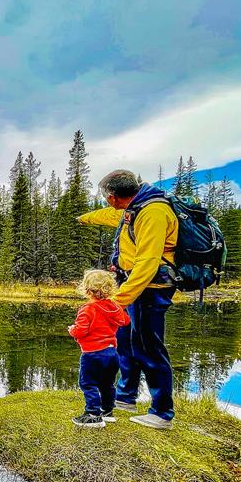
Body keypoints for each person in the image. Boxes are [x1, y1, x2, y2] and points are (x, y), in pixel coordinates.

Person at [77, 170, 179, 429]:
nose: (108, 204)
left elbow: (147, 263)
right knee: (124, 341)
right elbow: (108, 216)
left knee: (149, 347)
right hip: (133, 286)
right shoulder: (132, 208)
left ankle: (161, 412)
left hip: (151, 287)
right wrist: (82, 218)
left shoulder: (153, 213)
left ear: (112, 197)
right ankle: (126, 397)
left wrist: (117, 301)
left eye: (106, 198)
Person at [68, 269, 131, 427]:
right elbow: (125, 321)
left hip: (92, 354)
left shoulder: (88, 309)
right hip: (111, 353)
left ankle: (93, 415)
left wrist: (72, 330)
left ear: (87, 290)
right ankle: (107, 412)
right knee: (107, 384)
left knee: (88, 383)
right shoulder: (114, 307)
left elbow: (81, 330)